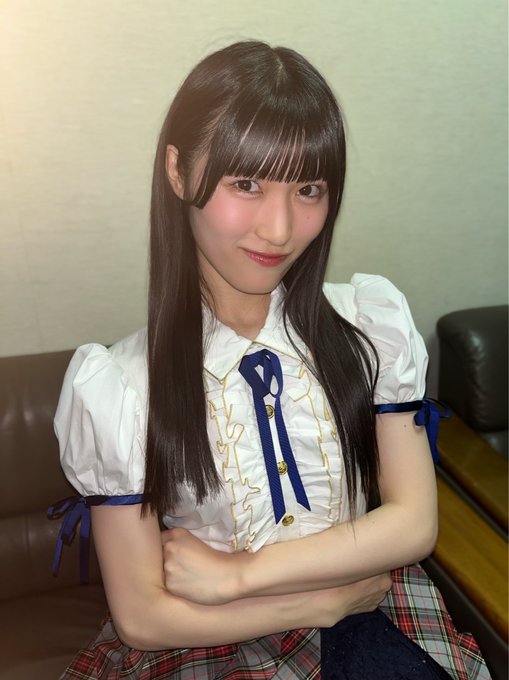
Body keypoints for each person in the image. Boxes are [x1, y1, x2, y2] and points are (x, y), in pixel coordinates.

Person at [51, 40, 490, 680]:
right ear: (178, 172)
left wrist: (240, 575)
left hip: (367, 606)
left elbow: (415, 525)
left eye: (308, 189)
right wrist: (316, 604)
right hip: (208, 637)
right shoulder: (121, 387)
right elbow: (142, 616)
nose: (280, 230)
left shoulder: (369, 329)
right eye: (247, 183)